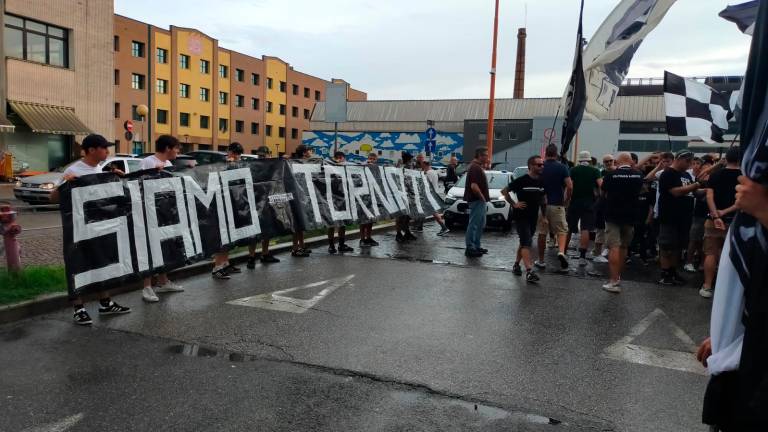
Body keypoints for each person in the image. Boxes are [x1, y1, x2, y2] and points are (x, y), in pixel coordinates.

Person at [58, 134, 131, 325]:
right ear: (91, 150)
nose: (108, 151)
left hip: (100, 226)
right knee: (77, 263)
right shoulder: (73, 170)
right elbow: (53, 197)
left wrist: (120, 180)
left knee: (102, 261)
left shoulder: (101, 169)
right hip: (80, 228)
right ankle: (78, 308)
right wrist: (66, 183)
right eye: (104, 148)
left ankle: (105, 303)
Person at [139, 135, 185, 301]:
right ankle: (146, 287)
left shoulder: (169, 164)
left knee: (164, 244)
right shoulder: (148, 162)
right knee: (150, 246)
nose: (178, 151)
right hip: (150, 212)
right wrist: (154, 173)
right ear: (167, 148)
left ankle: (163, 281)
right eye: (176, 148)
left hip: (165, 212)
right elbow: (140, 183)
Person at [699, 147, 741, 298]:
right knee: (731, 254)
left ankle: (707, 286)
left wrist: (716, 214)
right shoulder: (744, 176)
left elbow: (709, 196)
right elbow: (741, 202)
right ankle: (728, 288)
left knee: (710, 253)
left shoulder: (715, 174)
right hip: (736, 220)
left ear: (726, 159)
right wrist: (726, 212)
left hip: (713, 220)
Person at [657, 149, 701, 286]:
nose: (689, 164)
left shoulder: (686, 175)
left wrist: (705, 188)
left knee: (678, 247)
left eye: (691, 162)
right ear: (679, 159)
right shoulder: (667, 174)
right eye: (688, 161)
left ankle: (673, 272)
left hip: (684, 218)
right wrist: (696, 184)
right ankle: (665, 274)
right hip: (669, 217)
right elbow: (675, 192)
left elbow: (694, 192)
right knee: (666, 246)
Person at [600, 153, 644, 293]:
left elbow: (604, 192)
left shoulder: (611, 175)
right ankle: (618, 277)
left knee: (614, 246)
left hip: (613, 215)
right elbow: (641, 191)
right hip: (631, 215)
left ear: (618, 162)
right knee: (624, 247)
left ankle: (613, 282)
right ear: (631, 161)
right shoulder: (638, 175)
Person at [502, 155, 545, 283]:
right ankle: (529, 271)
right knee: (527, 242)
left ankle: (516, 264)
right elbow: (504, 191)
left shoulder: (541, 181)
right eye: (539, 165)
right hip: (521, 216)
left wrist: (544, 216)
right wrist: (514, 204)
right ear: (531, 166)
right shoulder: (521, 180)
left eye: (542, 164)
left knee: (524, 242)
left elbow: (543, 199)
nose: (541, 167)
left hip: (533, 217)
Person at [535, 144, 573, 270]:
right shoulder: (562, 167)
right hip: (557, 204)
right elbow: (570, 186)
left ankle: (540, 260)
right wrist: (566, 199)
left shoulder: (541, 167)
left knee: (542, 232)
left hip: (542, 205)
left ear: (545, 153)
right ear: (556, 154)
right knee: (562, 231)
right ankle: (561, 251)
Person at [211, 142, 245, 280]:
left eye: (238, 154)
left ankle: (225, 263)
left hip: (234, 202)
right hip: (222, 202)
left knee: (231, 235)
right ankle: (217, 267)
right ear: (229, 151)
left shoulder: (239, 163)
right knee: (223, 236)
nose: (237, 156)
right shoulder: (222, 163)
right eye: (235, 153)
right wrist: (227, 164)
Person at [567, 150, 601, 267]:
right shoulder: (595, 170)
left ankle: (563, 251)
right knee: (585, 228)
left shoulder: (573, 170)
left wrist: (567, 199)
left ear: (579, 160)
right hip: (589, 203)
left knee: (569, 227)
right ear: (589, 160)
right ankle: (582, 257)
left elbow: (569, 186)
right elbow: (600, 185)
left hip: (575, 201)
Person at [683, 157, 711, 273]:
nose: (706, 170)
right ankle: (688, 262)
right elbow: (697, 193)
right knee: (694, 239)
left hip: (709, 214)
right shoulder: (698, 180)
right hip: (698, 214)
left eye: (708, 168)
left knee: (706, 241)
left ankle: (702, 263)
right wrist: (707, 190)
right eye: (704, 168)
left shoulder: (713, 179)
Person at [464, 147, 490, 257]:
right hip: (477, 200)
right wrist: (482, 197)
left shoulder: (477, 167)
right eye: (486, 155)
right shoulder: (475, 167)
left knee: (480, 224)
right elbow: (474, 186)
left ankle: (476, 246)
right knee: (474, 224)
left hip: (479, 200)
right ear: (480, 156)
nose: (487, 158)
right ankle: (470, 248)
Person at [327, 151, 353, 254]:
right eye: (337, 158)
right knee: (331, 224)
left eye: (341, 158)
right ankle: (331, 245)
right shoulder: (329, 167)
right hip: (332, 198)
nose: (340, 159)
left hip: (343, 198)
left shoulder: (346, 167)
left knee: (342, 224)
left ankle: (341, 244)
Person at [291, 145, 313, 257]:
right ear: (304, 153)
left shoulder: (306, 163)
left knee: (301, 224)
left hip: (303, 197)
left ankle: (302, 245)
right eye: (310, 151)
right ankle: (295, 248)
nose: (311, 152)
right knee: (297, 224)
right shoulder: (295, 163)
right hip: (297, 197)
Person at [421, 159, 450, 236]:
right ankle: (419, 226)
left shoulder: (429, 173)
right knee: (423, 210)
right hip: (433, 193)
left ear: (425, 165)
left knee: (434, 212)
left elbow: (426, 184)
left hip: (430, 194)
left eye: (422, 165)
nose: (422, 166)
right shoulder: (433, 171)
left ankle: (444, 227)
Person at [395, 152, 418, 243]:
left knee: (407, 215)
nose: (412, 161)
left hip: (409, 194)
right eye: (411, 159)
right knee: (400, 215)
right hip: (401, 194)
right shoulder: (402, 167)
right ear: (408, 159)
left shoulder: (409, 167)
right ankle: (398, 233)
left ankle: (407, 232)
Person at [358, 153, 380, 247]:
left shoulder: (377, 168)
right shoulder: (363, 166)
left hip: (372, 196)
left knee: (371, 219)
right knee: (363, 219)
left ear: (376, 160)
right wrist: (365, 163)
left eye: (373, 159)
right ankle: (362, 239)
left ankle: (369, 237)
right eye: (370, 158)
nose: (371, 160)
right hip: (363, 195)